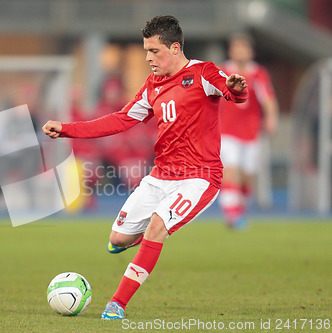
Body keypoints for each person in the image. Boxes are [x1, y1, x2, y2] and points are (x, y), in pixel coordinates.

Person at [42, 15, 248, 319]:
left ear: (175, 48)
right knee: (117, 240)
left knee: (156, 227)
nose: (149, 58)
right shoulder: (153, 85)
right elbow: (121, 120)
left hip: (200, 177)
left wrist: (237, 88)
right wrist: (68, 129)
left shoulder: (203, 73)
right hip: (160, 175)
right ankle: (148, 236)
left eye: (154, 51)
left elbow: (232, 92)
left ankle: (117, 304)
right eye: (146, 51)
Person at [218, 33, 278, 228]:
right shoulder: (222, 71)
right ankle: (232, 215)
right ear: (231, 51)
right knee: (231, 168)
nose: (240, 52)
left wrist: (271, 118)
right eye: (236, 48)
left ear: (251, 52)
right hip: (226, 131)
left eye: (243, 48)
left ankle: (240, 210)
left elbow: (268, 99)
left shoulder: (258, 73)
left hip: (251, 133)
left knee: (247, 176)